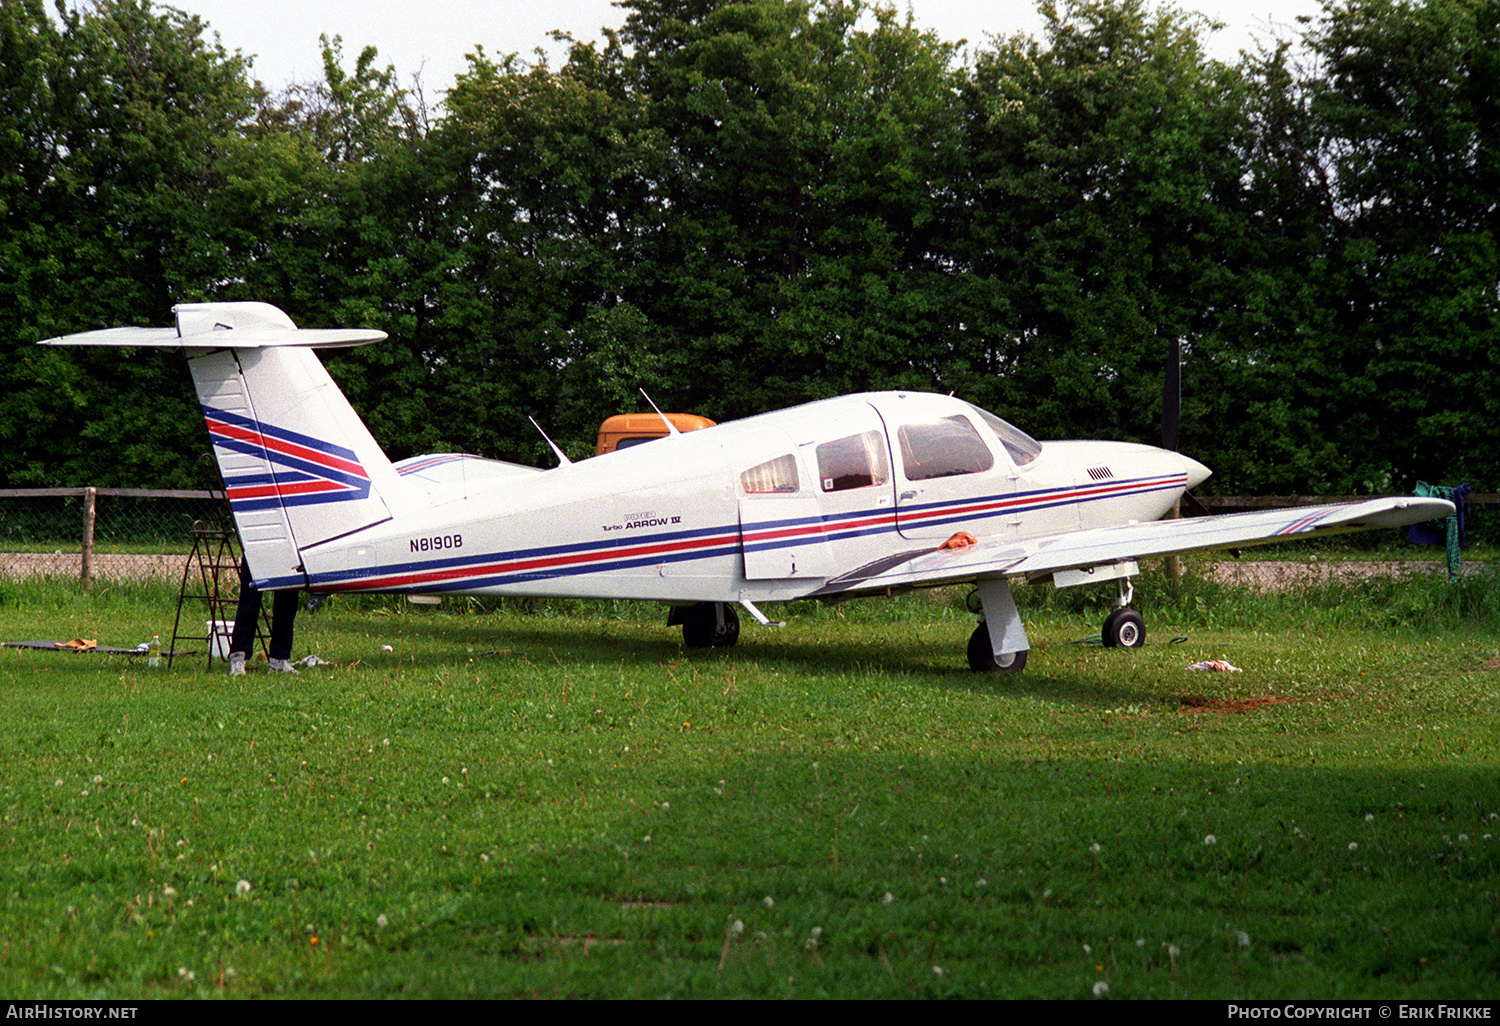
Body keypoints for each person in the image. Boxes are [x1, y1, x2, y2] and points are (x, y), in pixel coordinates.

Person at [227, 558, 301, 675]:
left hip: (287, 549)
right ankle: (238, 658)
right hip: (257, 547)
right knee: (249, 601)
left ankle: (279, 659)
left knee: (288, 599)